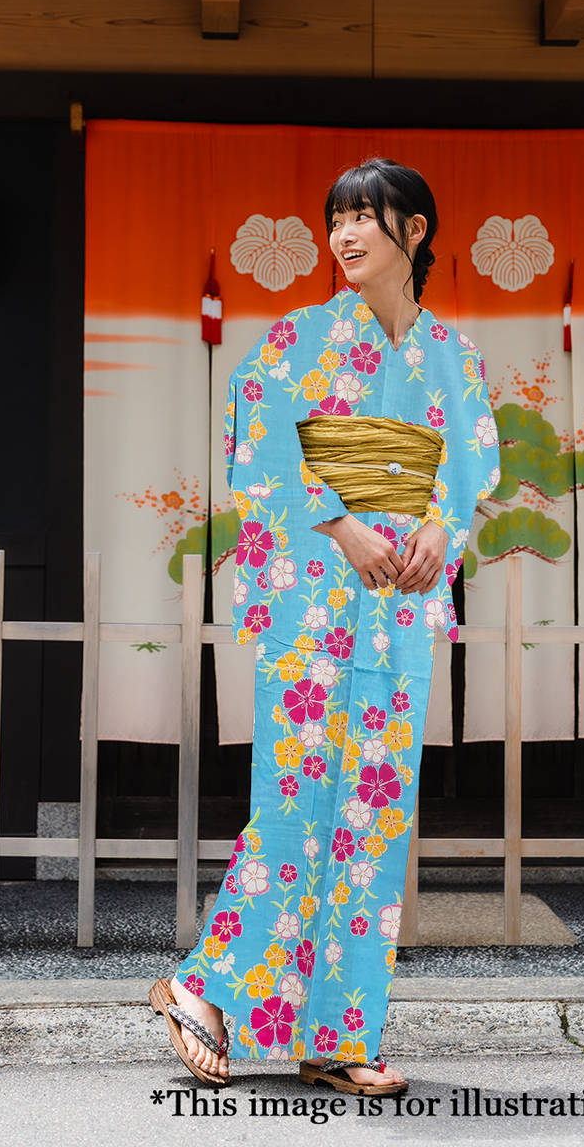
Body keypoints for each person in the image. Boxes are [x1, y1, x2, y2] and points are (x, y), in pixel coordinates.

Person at [151, 158, 499, 1094]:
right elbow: (256, 443)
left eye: (365, 218)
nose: (344, 235)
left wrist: (439, 525)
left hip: (398, 608)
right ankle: (202, 989)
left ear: (414, 232)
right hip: (314, 596)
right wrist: (343, 523)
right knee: (298, 800)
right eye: (336, 219)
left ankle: (340, 1033)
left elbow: (471, 462)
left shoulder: (453, 357)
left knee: (373, 813)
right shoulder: (297, 340)